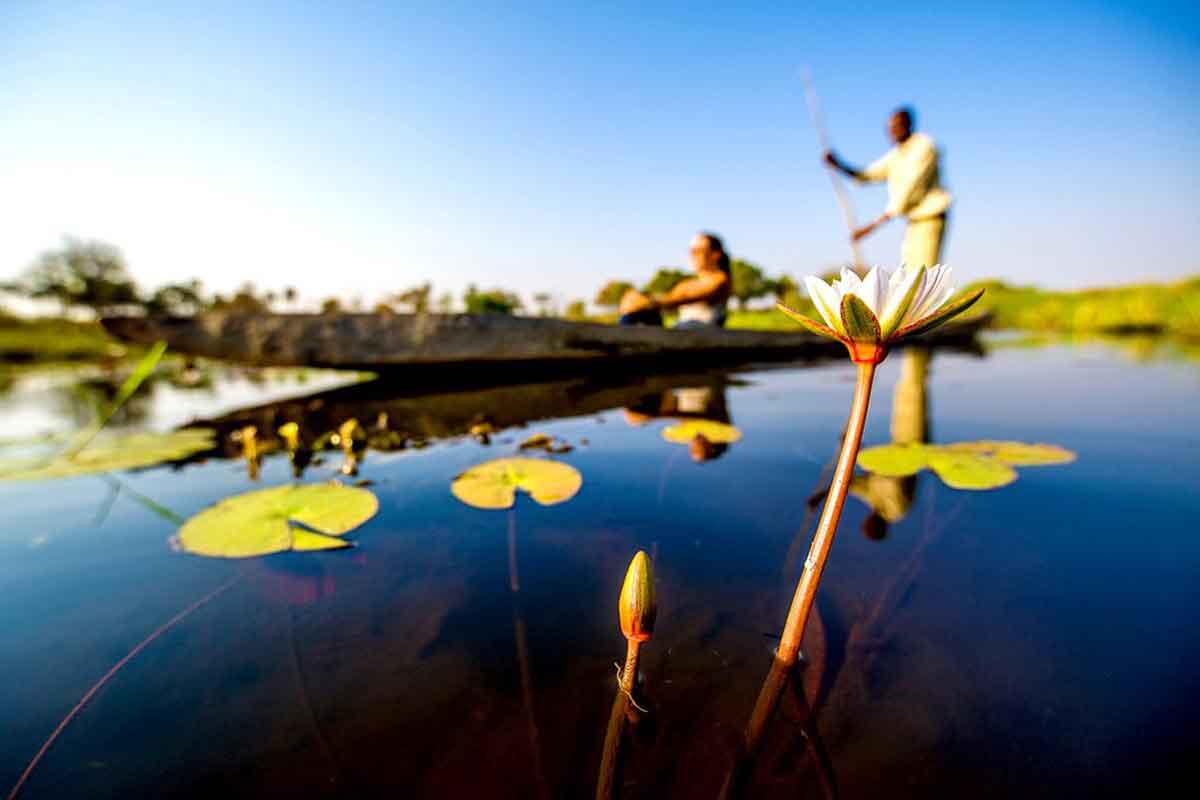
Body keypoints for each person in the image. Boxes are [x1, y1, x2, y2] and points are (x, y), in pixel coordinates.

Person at [824, 107, 951, 268]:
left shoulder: (923, 146)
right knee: (909, 271)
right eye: (890, 128)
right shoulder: (896, 154)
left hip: (930, 217)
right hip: (913, 221)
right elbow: (868, 175)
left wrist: (872, 225)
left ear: (908, 125)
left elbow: (910, 189)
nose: (892, 132)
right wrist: (838, 165)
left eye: (897, 126)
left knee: (923, 273)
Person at [618, 232, 732, 328]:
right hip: (682, 332)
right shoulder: (688, 283)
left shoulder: (720, 280)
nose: (692, 256)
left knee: (643, 309)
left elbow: (684, 298)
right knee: (640, 312)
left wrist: (649, 302)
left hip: (703, 338)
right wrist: (639, 300)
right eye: (691, 251)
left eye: (698, 251)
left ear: (715, 255)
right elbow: (670, 298)